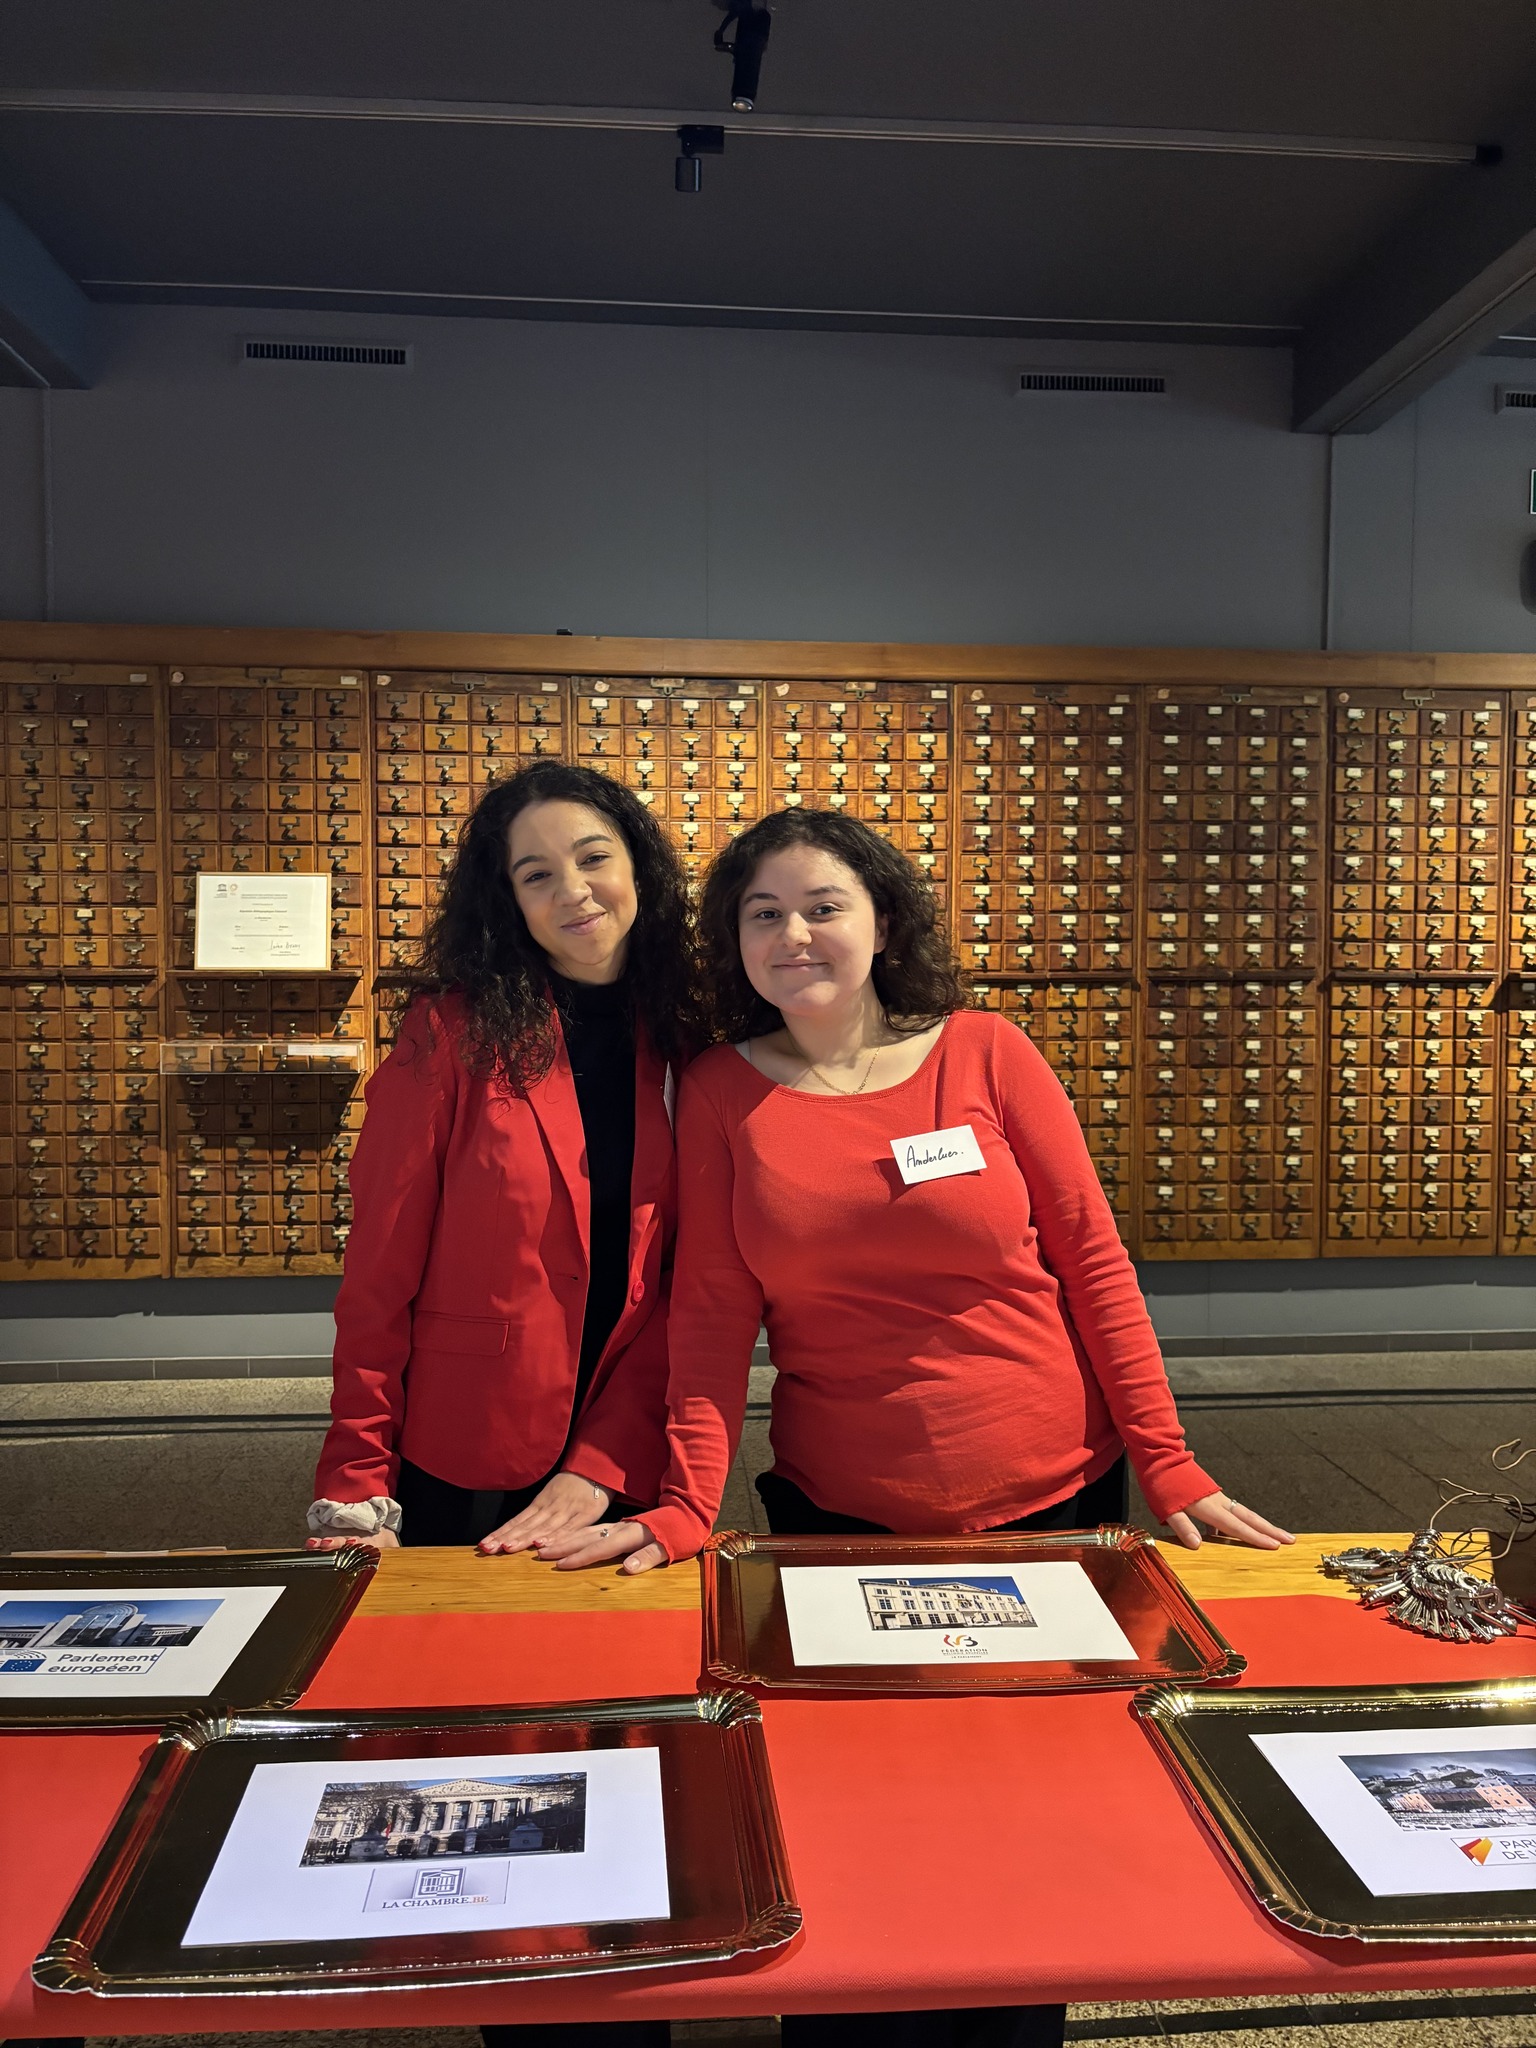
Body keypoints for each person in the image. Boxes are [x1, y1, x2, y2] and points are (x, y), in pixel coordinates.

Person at [541, 805, 1292, 2048]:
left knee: (1035, 1814)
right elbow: (712, 1315)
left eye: (822, 904)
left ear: (883, 920)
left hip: (1051, 1505)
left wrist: (1169, 1462)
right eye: (763, 914)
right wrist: (684, 1502)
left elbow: (1094, 1262)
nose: (794, 933)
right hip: (844, 1518)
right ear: (735, 942)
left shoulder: (986, 1052)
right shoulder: (721, 1089)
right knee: (859, 1817)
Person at [306, 760, 701, 1581]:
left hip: (626, 1440)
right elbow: (379, 1273)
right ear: (508, 899)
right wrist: (356, 1480)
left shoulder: (687, 1037)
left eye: (593, 858)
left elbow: (689, 1285)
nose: (574, 891)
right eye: (536, 874)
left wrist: (606, 1458)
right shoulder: (450, 1034)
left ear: (638, 866)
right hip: (471, 1439)